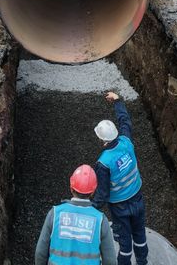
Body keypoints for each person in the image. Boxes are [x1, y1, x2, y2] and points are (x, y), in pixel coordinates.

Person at [93, 91, 148, 265]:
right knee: (140, 235)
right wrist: (117, 101)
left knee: (124, 245)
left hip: (119, 207)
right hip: (137, 199)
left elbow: (102, 193)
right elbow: (125, 121)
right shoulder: (126, 141)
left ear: (102, 140)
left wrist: (90, 208)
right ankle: (142, 262)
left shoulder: (103, 163)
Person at [35, 165, 117, 265]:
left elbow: (40, 253)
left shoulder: (55, 213)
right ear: (93, 191)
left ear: (71, 188)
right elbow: (110, 260)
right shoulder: (100, 220)